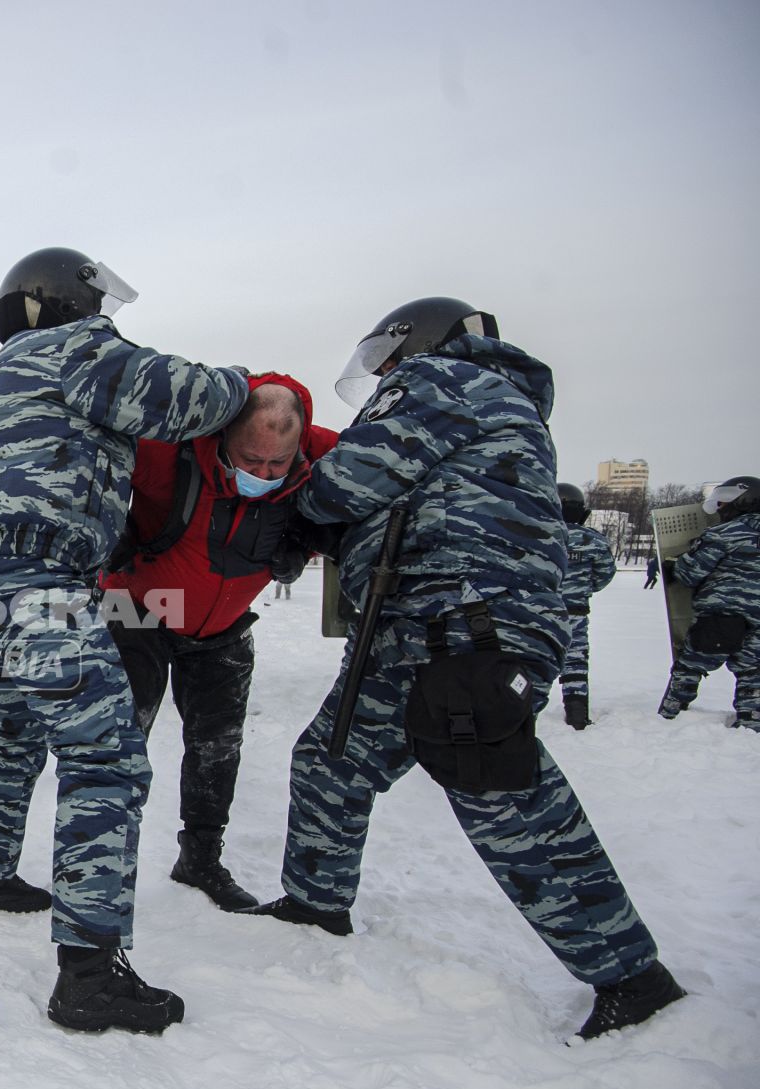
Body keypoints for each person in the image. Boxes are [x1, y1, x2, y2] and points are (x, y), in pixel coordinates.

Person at [247, 296, 683, 1040]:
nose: (381, 375)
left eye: (385, 361)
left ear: (413, 345)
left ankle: (629, 975)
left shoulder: (448, 380)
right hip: (413, 624)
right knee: (333, 761)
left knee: (496, 787)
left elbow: (352, 479)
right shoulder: (486, 395)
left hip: (467, 621)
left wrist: (292, 507)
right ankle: (313, 905)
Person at [0, 246, 248, 1035]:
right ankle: (89, 972)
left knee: (10, 733)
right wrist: (244, 384)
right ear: (78, 300)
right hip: (40, 576)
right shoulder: (77, 349)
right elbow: (188, 399)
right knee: (105, 754)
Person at [95, 373, 338, 911]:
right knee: (118, 741)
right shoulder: (169, 446)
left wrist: (303, 539)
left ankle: (200, 856)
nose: (263, 474)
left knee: (217, 749)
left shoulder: (327, 456)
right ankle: (105, 863)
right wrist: (108, 527)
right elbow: (89, 455)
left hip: (223, 623)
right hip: (137, 606)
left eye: (278, 464)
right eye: (250, 460)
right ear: (224, 434)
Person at [658, 475, 760, 730]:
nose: (721, 509)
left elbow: (690, 573)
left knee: (689, 666)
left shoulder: (725, 533)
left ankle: (667, 719)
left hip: (722, 614)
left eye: (724, 503)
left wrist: (674, 563)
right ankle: (751, 727)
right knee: (753, 673)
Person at [555, 483, 617, 729]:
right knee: (575, 660)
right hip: (575, 613)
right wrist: (581, 590)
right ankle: (576, 714)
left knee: (527, 659)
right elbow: (605, 574)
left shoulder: (536, 534)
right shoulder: (593, 540)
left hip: (536, 611)